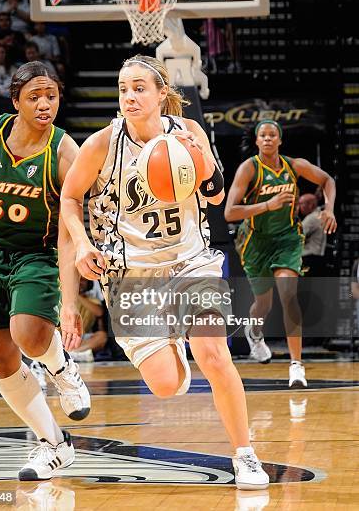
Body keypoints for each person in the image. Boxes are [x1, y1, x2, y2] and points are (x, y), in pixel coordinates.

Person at [60, 54, 269, 490]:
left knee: (213, 353)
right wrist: (81, 242)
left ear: (161, 95)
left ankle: (245, 455)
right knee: (166, 385)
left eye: (139, 88)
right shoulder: (102, 144)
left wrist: (201, 160)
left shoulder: (187, 131)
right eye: (123, 89)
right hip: (132, 273)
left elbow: (214, 198)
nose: (129, 96)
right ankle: (171, 342)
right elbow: (68, 198)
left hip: (191, 260)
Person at [0, 61, 90, 480]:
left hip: (36, 254)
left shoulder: (67, 151)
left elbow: (70, 230)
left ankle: (61, 367)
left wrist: (70, 303)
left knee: (28, 336)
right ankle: (53, 445)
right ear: (15, 102)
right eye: (34, 96)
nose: (45, 103)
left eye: (51, 95)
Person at [225, 120, 337, 388]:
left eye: (271, 135)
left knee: (288, 294)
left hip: (287, 239)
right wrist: (268, 204)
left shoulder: (293, 165)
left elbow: (327, 180)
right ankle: (255, 332)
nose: (266, 139)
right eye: (262, 135)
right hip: (256, 242)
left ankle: (296, 366)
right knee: (263, 304)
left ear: (279, 140)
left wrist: (329, 208)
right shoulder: (248, 169)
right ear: (256, 141)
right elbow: (230, 212)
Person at [299, 192, 327, 277]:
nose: (299, 207)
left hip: (309, 258)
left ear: (311, 205)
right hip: (316, 259)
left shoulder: (312, 218)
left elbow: (297, 235)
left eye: (301, 204)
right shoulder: (319, 215)